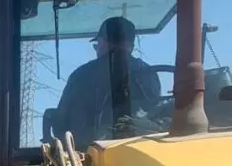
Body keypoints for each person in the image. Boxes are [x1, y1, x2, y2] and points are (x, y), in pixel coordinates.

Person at [54, 17, 161, 146]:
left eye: (96, 45)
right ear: (131, 46)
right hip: (145, 149)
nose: (97, 50)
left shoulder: (82, 75)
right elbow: (157, 113)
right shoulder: (149, 73)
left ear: (103, 42)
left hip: (90, 158)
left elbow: (60, 123)